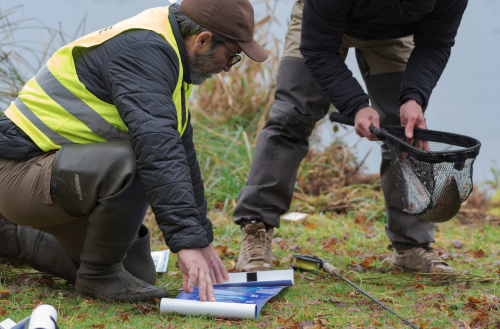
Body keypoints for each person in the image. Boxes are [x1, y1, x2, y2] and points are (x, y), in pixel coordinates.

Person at [0, 0, 268, 302]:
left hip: (60, 178)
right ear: (203, 40)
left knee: (137, 275)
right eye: (231, 56)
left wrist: (200, 238)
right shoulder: (144, 52)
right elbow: (157, 151)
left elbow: (179, 151)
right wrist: (185, 245)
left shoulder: (174, 53)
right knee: (134, 161)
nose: (227, 68)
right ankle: (96, 276)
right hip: (19, 171)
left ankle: (11, 236)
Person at [233, 0, 467, 274]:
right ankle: (255, 230)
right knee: (291, 117)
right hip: (321, 25)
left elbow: (435, 43)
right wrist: (357, 105)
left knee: (406, 132)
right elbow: (318, 50)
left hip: (394, 34)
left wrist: (414, 96)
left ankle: (412, 246)